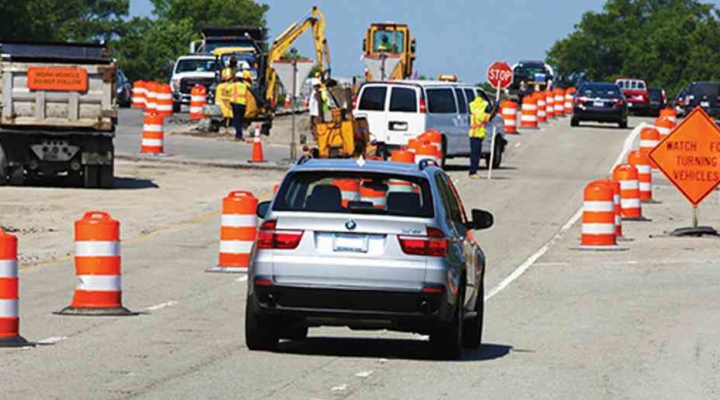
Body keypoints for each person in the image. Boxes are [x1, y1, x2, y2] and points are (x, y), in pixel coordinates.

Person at [468, 96, 490, 179]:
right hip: (476, 134)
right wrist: (495, 108)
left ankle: (473, 171)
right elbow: (489, 118)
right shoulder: (479, 114)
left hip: (475, 134)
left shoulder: (474, 112)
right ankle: (473, 172)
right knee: (475, 155)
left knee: (475, 154)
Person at [229, 70, 251, 141]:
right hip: (243, 105)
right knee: (240, 120)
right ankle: (239, 134)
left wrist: (231, 81)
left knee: (236, 121)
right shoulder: (245, 85)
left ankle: (239, 135)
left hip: (236, 104)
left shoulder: (234, 85)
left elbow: (226, 89)